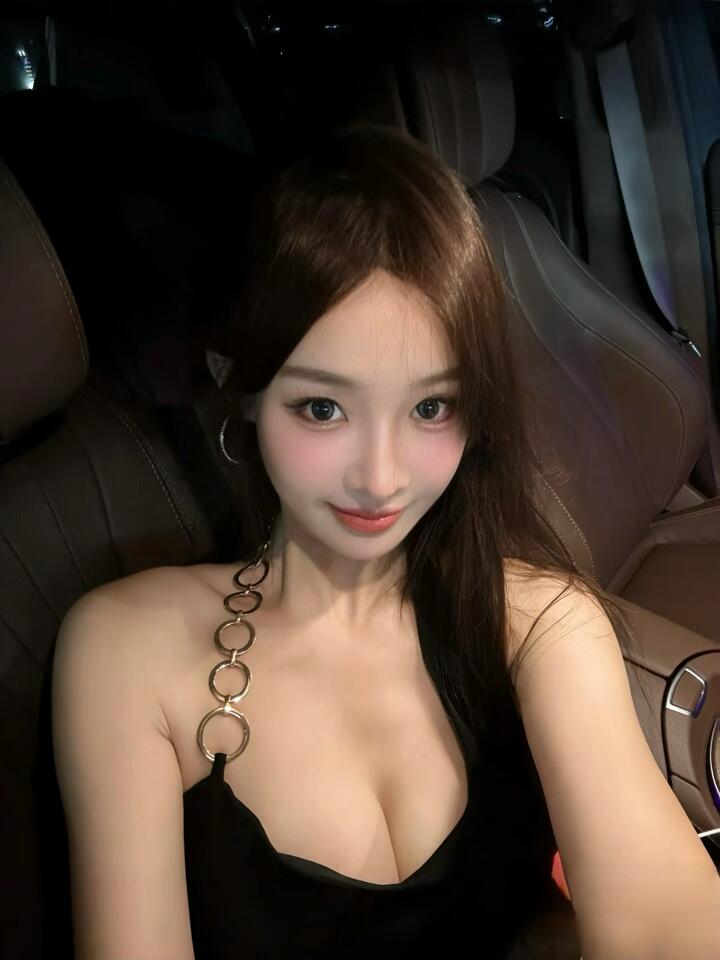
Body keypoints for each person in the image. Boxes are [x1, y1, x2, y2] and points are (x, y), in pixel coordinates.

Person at [52, 123, 720, 960]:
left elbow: (662, 926)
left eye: (431, 407)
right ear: (242, 385)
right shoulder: (127, 652)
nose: (381, 477)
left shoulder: (539, 620)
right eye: (323, 408)